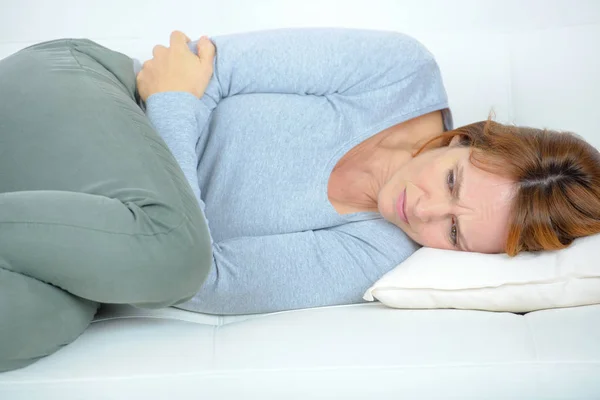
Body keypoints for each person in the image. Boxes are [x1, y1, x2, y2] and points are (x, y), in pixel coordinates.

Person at [134, 29, 600, 316]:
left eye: (454, 231)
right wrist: (168, 230)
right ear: (466, 138)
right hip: (114, 107)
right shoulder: (398, 72)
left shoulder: (374, 257)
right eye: (451, 181)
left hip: (115, 229)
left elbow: (195, 282)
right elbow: (201, 64)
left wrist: (173, 108)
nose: (423, 209)